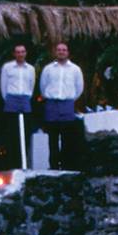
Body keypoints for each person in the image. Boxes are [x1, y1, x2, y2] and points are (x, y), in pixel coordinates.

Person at [38, 41, 86, 170]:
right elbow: (43, 86)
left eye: (64, 50)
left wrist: (70, 99)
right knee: (52, 137)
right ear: (55, 52)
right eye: (59, 50)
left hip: (67, 105)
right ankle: (53, 166)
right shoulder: (48, 69)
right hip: (51, 105)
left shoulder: (75, 69)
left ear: (68, 52)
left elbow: (79, 88)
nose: (61, 52)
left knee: (67, 137)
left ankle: (66, 165)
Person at [0, 42, 37, 172]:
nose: (20, 54)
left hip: (25, 100)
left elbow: (31, 85)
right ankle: (11, 164)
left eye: (22, 52)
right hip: (11, 100)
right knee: (11, 133)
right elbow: (3, 86)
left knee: (25, 132)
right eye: (18, 52)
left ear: (26, 53)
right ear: (14, 54)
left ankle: (23, 162)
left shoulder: (30, 69)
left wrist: (25, 98)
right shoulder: (7, 67)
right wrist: (8, 99)